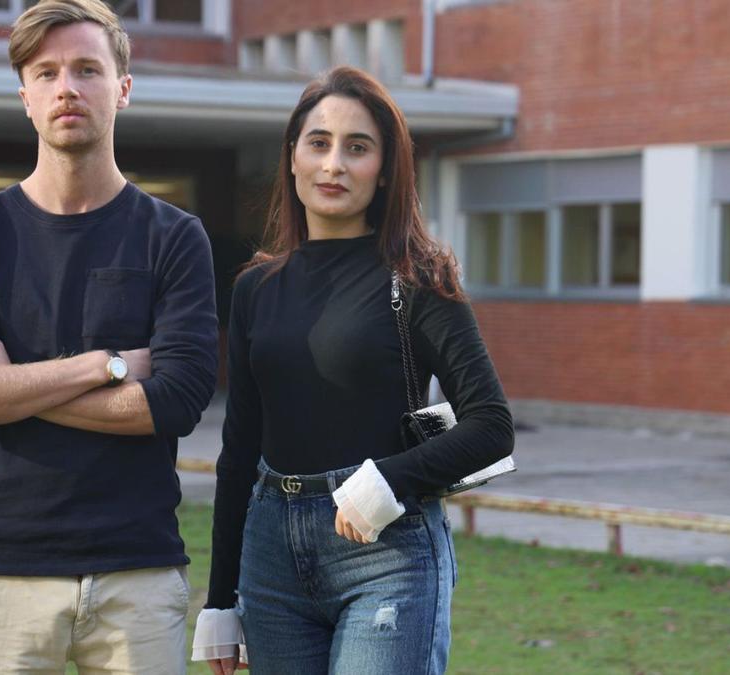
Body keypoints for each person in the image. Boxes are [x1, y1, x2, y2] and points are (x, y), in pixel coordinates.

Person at [0, 1, 218, 673]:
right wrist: (105, 366)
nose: (67, 87)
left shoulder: (173, 236)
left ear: (123, 87)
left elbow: (176, 403)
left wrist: (9, 381)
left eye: (87, 69)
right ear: (25, 96)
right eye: (45, 73)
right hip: (3, 572)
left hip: (137, 570)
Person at [192, 67, 514, 675]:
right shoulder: (257, 287)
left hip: (385, 553)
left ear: (386, 168)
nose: (334, 164)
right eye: (319, 143)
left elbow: (492, 426)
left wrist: (387, 480)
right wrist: (218, 600)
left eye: (357, 147)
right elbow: (238, 452)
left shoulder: (419, 277)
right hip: (270, 560)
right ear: (292, 158)